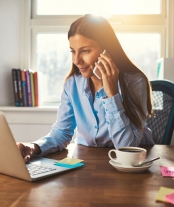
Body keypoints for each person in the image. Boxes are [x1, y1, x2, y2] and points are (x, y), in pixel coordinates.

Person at [18, 14, 154, 163]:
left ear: (106, 51)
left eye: (85, 51)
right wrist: (33, 147)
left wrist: (111, 93)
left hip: (130, 167)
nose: (76, 60)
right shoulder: (72, 84)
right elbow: (62, 133)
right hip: (86, 164)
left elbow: (127, 148)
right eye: (73, 51)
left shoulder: (134, 82)